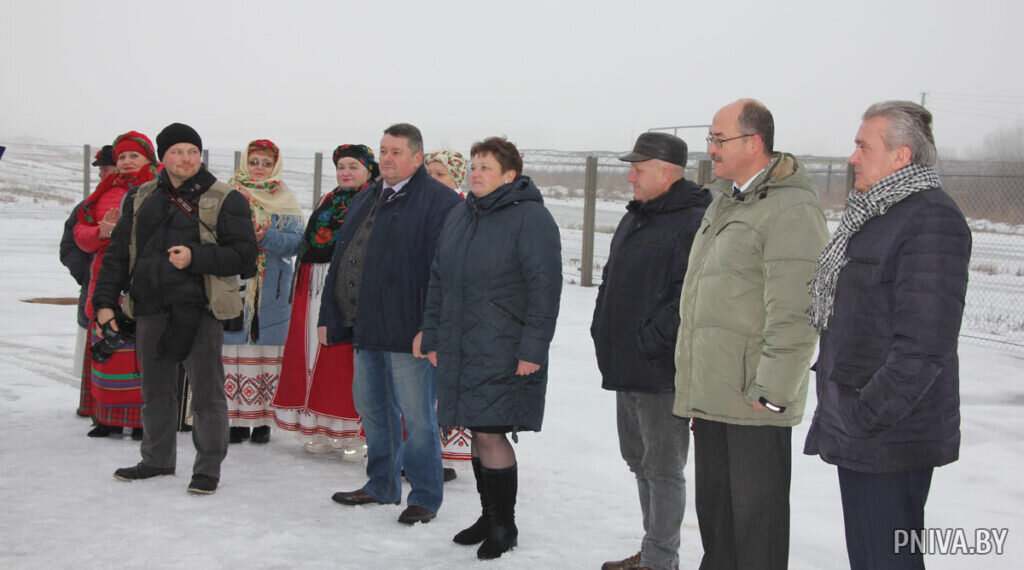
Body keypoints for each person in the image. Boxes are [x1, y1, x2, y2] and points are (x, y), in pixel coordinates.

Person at [804, 101, 971, 570]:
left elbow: (924, 346)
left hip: (891, 436)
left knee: (886, 560)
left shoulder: (931, 220)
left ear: (901, 155)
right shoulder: (875, 214)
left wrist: (865, 415)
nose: (852, 157)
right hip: (862, 427)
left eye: (864, 147)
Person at [673, 99, 829, 570]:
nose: (711, 148)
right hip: (716, 393)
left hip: (755, 400)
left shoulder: (791, 209)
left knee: (756, 527)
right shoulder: (726, 200)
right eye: (711, 139)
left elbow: (797, 310)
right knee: (718, 520)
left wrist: (774, 391)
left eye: (719, 139)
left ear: (754, 142)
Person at [93, 122, 257, 495]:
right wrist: (104, 303)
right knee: (155, 392)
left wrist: (196, 257)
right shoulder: (140, 197)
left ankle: (207, 469)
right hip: (150, 306)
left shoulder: (225, 198)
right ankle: (156, 460)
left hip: (200, 308)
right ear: (162, 158)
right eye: (177, 151)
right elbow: (118, 255)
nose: (186, 158)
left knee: (206, 395)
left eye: (192, 151)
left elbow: (245, 256)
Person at [420, 136, 562, 560]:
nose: (475, 173)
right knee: (476, 427)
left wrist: (533, 349)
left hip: (505, 344)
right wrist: (433, 335)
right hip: (462, 342)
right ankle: (489, 516)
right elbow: (438, 280)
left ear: (510, 175)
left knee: (490, 430)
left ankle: (504, 525)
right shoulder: (462, 214)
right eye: (473, 166)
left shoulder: (531, 218)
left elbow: (545, 289)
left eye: (485, 167)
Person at [322, 124, 461, 524]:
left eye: (396, 152)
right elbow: (343, 257)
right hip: (365, 326)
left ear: (417, 158)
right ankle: (381, 484)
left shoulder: (439, 202)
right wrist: (330, 315)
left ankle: (425, 496)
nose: (386, 158)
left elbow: (446, 272)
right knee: (373, 409)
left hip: (409, 331)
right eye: (383, 150)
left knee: (417, 418)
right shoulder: (368, 196)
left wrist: (430, 327)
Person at [595, 133, 711, 570]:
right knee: (639, 461)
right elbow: (610, 278)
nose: (630, 177)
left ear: (666, 172)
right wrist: (601, 328)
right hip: (626, 362)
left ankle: (661, 559)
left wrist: (651, 340)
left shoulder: (693, 220)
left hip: (661, 369)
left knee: (663, 468)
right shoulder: (637, 216)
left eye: (638, 169)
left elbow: (689, 296)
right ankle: (653, 549)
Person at [273, 144, 378, 456]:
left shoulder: (375, 201)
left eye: (353, 166)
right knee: (310, 356)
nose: (345, 172)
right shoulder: (328, 199)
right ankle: (318, 428)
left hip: (349, 286)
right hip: (312, 285)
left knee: (342, 359)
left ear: (369, 170)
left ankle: (352, 435)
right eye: (341, 167)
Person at [75, 133, 158, 439]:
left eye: (134, 156)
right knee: (108, 347)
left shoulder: (159, 190)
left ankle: (140, 422)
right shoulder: (104, 192)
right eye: (122, 157)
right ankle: (106, 419)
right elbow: (80, 236)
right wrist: (102, 233)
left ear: (149, 159)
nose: (126, 162)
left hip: (143, 280)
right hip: (106, 280)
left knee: (141, 354)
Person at [222, 139, 303, 445]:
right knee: (234, 351)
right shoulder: (228, 194)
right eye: (254, 162)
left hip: (272, 287)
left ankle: (263, 422)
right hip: (235, 284)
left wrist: (267, 237)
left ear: (275, 166)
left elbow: (297, 242)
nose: (259, 168)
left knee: (266, 354)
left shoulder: (285, 198)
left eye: (266, 163)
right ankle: (235, 421)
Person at [423, 148, 470, 481]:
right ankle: (419, 451)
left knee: (446, 384)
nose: (434, 181)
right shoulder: (420, 207)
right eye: (429, 174)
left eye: (441, 175)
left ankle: (445, 457)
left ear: (457, 178)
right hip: (423, 305)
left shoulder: (464, 211)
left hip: (453, 310)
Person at [62, 144, 115, 418]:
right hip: (94, 294)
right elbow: (69, 247)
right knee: (94, 355)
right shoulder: (88, 207)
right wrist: (89, 274)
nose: (102, 175)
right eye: (101, 171)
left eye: (107, 169)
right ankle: (94, 408)